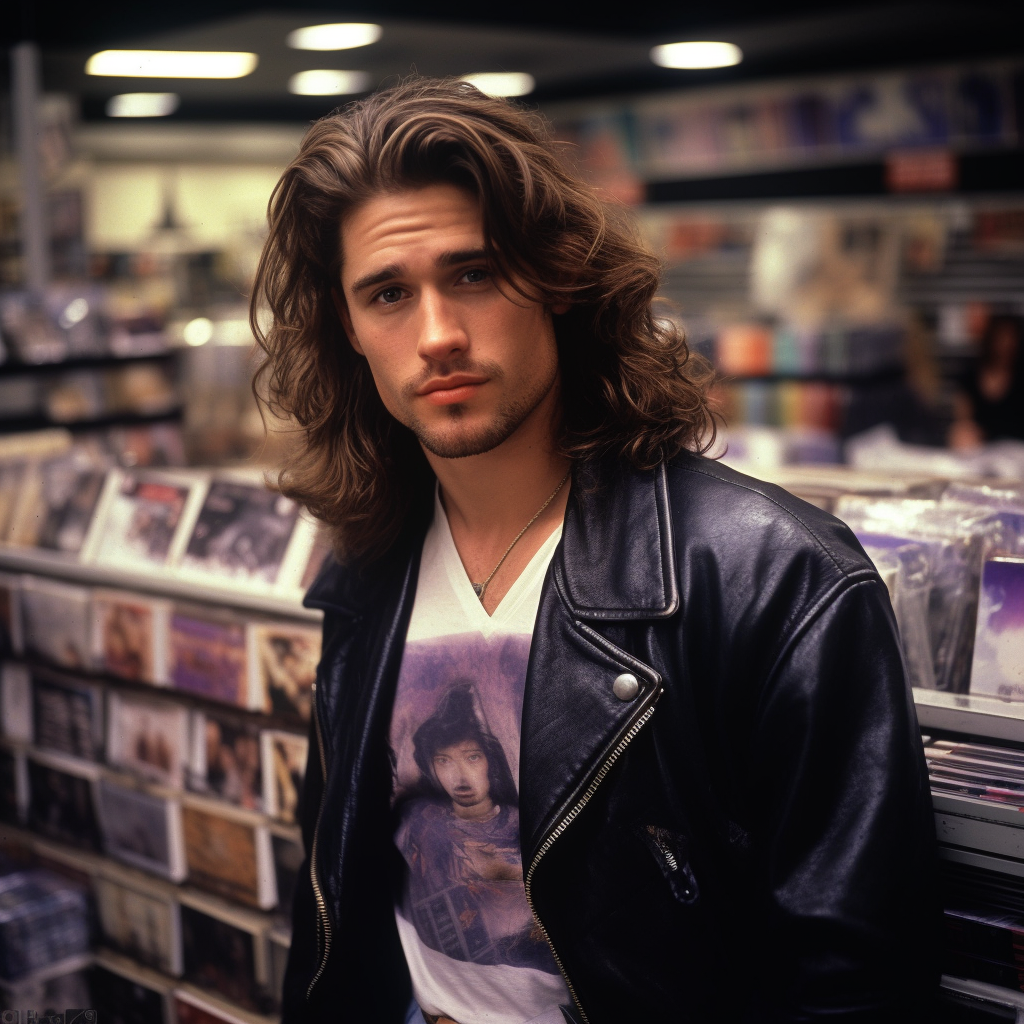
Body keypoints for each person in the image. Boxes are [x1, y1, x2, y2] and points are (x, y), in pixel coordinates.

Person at [252, 78, 938, 1024]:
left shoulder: (774, 578)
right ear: (348, 329)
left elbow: (856, 982)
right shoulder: (366, 569)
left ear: (558, 278)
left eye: (475, 274)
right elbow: (333, 900)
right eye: (388, 294)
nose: (438, 335)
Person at [949, 313, 1024, 449]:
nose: (1006, 344)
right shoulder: (971, 374)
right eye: (1001, 337)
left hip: (1017, 452)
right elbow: (963, 419)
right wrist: (964, 432)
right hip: (980, 450)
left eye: (1011, 338)